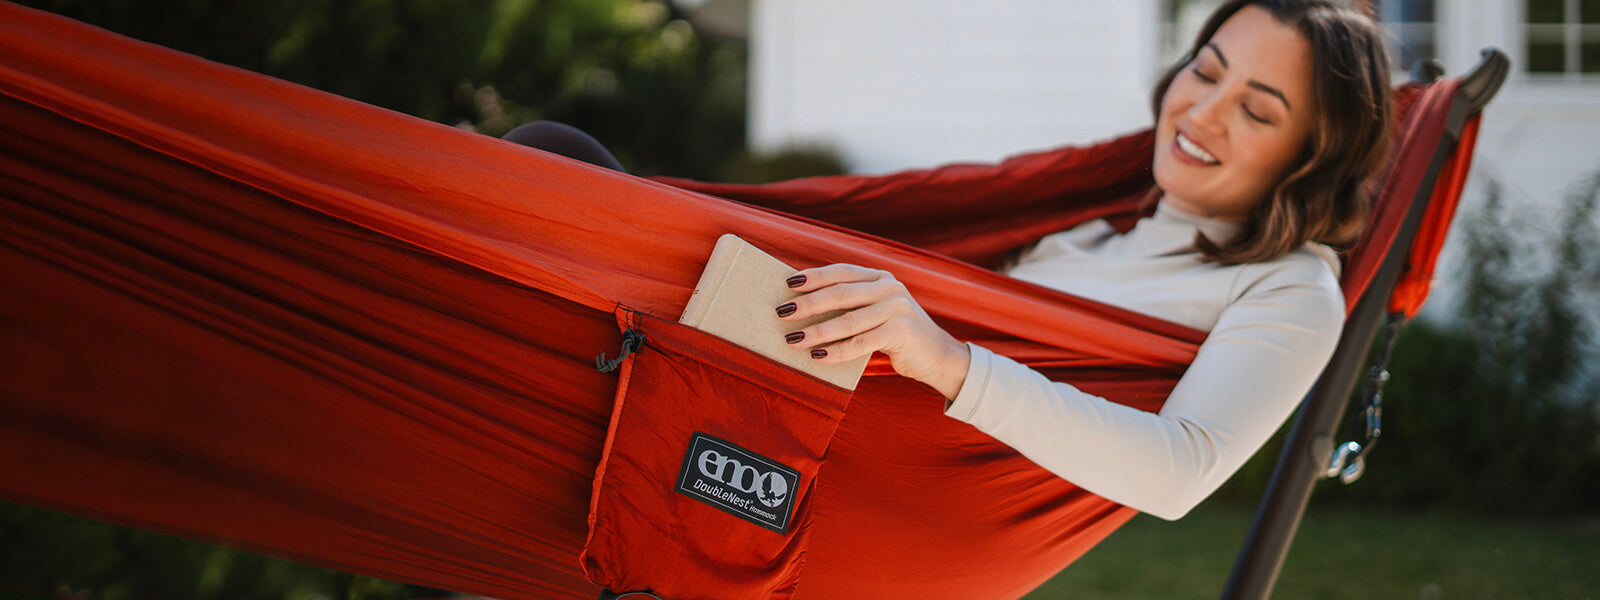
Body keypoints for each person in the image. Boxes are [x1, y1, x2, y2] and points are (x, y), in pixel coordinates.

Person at [506, 0, 1392, 520]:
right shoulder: (1093, 227)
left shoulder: (1290, 287)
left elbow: (1179, 471)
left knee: (547, 183)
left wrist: (945, 358)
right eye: (1207, 71)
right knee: (551, 165)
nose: (1203, 113)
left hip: (843, 479)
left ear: (1311, 155)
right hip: (803, 393)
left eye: (1259, 110)